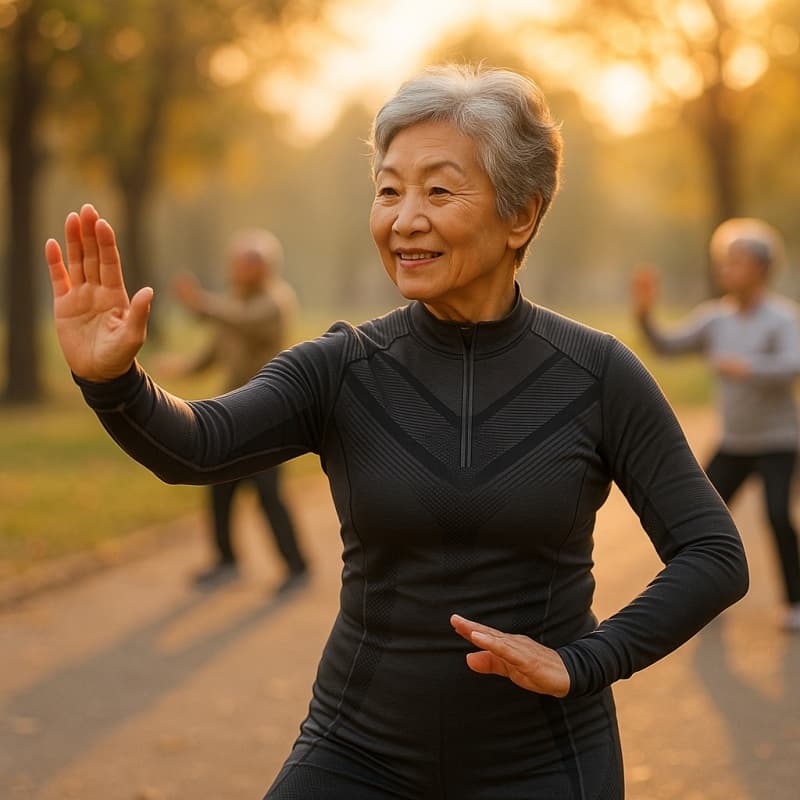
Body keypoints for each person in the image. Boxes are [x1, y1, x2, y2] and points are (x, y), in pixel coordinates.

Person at [45, 64, 747, 799]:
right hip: (356, 749)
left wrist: (587, 661)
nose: (404, 218)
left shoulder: (596, 373)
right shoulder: (343, 366)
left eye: (438, 190)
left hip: (544, 759)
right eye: (388, 190)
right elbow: (197, 445)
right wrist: (113, 382)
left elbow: (713, 554)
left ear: (521, 215)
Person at [632, 218, 800, 633]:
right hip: (735, 441)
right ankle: (697, 596)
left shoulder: (781, 319)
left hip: (778, 439)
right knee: (698, 519)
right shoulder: (715, 319)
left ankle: (796, 602)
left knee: (778, 515)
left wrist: (748, 368)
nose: (727, 269)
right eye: (724, 262)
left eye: (737, 262)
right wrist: (645, 314)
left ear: (761, 269)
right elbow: (666, 346)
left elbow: (794, 364)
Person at [168, 230, 309, 591]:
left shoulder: (274, 302)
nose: (240, 269)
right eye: (239, 262)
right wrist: (178, 368)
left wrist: (201, 303)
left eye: (249, 263)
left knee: (268, 493)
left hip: (264, 415)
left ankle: (296, 566)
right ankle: (226, 559)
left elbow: (242, 320)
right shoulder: (234, 303)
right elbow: (212, 354)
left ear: (265, 268)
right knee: (218, 487)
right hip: (230, 414)